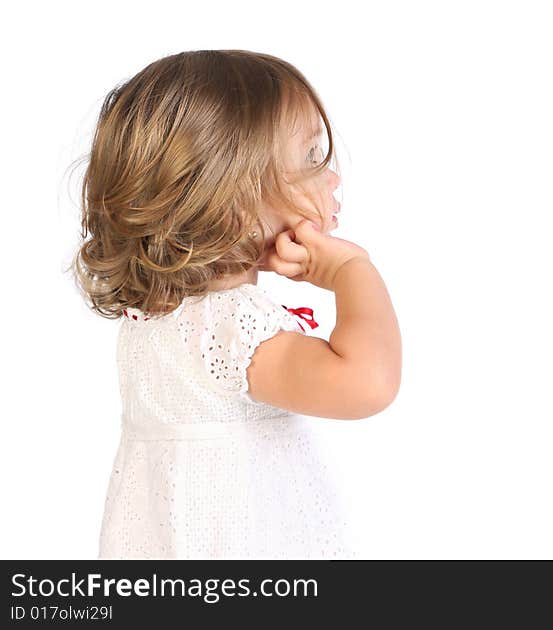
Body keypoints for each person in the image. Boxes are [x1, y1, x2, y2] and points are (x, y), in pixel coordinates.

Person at [67, 49, 402, 559]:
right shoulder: (231, 327)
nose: (333, 177)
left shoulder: (155, 320)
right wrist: (351, 271)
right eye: (312, 159)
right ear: (233, 203)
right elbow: (368, 383)